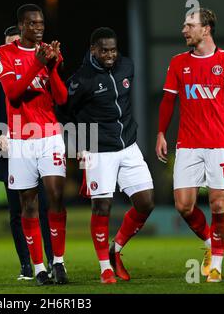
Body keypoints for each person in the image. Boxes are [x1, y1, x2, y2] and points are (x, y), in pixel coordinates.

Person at [156, 8, 224, 283]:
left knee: (217, 203)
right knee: (184, 206)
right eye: (184, 25)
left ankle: (216, 264)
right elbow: (168, 101)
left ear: (206, 29)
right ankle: (209, 242)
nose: (183, 30)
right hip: (187, 144)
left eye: (189, 25)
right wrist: (160, 133)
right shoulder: (178, 62)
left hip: (218, 143)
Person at [66, 27, 155, 284]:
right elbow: (66, 112)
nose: (109, 55)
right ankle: (105, 268)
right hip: (98, 149)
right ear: (93, 49)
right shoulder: (81, 79)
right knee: (102, 206)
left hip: (128, 145)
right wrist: (81, 145)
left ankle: (115, 249)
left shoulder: (127, 66)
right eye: (104, 50)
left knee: (146, 202)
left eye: (113, 50)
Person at [0, 4, 69, 285]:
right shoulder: (4, 53)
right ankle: (38, 267)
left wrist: (53, 67)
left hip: (49, 134)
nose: (39, 28)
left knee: (56, 196)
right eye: (33, 24)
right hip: (21, 139)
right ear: (21, 26)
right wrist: (38, 64)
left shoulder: (47, 52)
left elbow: (61, 99)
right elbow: (13, 94)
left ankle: (58, 263)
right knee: (28, 204)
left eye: (41, 23)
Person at [0, 25, 54, 281]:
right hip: (10, 150)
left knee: (44, 207)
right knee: (17, 211)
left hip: (37, 143)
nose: (13, 48)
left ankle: (53, 261)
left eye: (17, 42)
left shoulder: (41, 70)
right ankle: (27, 265)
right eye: (9, 43)